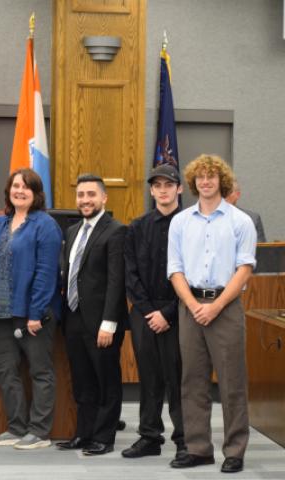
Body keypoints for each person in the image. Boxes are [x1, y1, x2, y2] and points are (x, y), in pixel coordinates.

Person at [168, 155, 256, 473]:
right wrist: (193, 306)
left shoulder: (239, 221)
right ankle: (198, 448)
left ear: (222, 181)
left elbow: (245, 269)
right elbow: (175, 269)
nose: (206, 182)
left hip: (226, 307)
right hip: (190, 306)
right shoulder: (181, 222)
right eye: (201, 177)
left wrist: (216, 306)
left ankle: (234, 450)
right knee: (192, 381)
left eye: (212, 176)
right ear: (193, 183)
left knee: (232, 383)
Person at [0, 169, 62, 449]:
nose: (20, 191)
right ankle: (16, 427)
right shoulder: (1, 223)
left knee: (40, 371)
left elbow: (46, 272)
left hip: (33, 314)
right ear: (8, 190)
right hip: (1, 311)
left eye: (26, 187)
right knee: (4, 369)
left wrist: (36, 312)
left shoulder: (45, 224)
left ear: (36, 193)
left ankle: (39, 432)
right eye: (15, 186)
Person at [56, 174, 128, 456]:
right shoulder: (72, 231)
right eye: (81, 195)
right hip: (74, 318)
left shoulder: (116, 231)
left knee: (106, 381)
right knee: (82, 380)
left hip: (102, 323)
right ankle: (83, 434)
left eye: (91, 195)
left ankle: (104, 437)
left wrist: (109, 324)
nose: (85, 200)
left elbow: (116, 281)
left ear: (103, 198)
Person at [121, 164, 185, 460]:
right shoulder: (136, 227)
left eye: (168, 184)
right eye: (157, 185)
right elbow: (130, 274)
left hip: (180, 310)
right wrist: (149, 312)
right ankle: (149, 437)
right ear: (151, 190)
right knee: (149, 376)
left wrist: (168, 313)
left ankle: (185, 438)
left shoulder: (189, 225)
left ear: (179, 189)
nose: (163, 190)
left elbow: (193, 274)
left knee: (178, 377)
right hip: (145, 313)